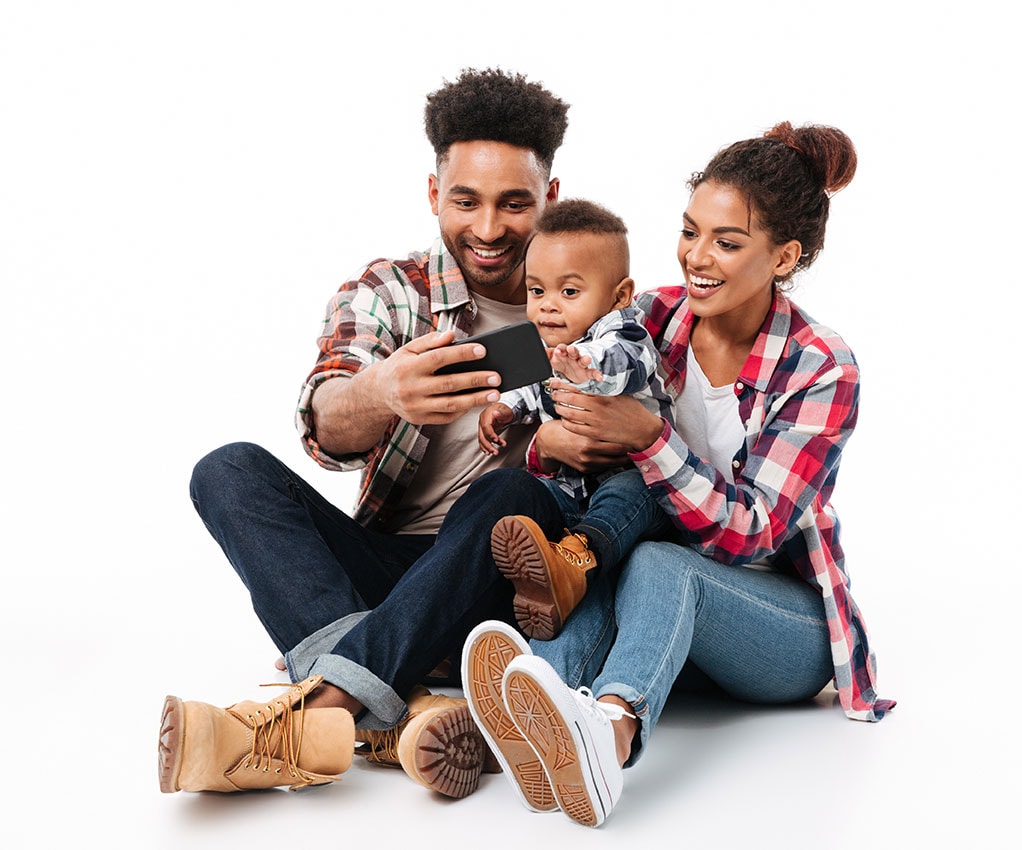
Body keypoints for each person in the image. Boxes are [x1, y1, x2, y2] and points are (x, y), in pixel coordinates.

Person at [462, 122, 896, 828]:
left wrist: (648, 436)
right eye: (690, 232)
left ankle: (610, 736)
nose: (697, 256)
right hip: (659, 619)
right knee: (593, 564)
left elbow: (750, 535)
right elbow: (529, 367)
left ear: (784, 256)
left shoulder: (821, 366)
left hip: (779, 629)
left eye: (727, 242)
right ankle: (523, 717)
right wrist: (537, 430)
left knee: (657, 560)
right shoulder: (650, 315)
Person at [158, 67, 570, 799]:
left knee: (512, 493)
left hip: (505, 586)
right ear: (434, 193)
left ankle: (314, 714)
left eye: (514, 203)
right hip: (388, 580)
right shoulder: (390, 290)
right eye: (466, 201)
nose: (487, 229)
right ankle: (400, 707)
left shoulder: (589, 298)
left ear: (551, 197)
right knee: (226, 470)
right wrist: (382, 392)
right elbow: (324, 423)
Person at [476, 198, 673, 641]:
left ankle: (577, 559)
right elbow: (533, 389)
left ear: (619, 296)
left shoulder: (624, 334)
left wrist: (586, 366)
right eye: (536, 291)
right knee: (522, 492)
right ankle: (530, 571)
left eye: (568, 292)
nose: (548, 307)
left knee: (632, 490)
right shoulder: (549, 345)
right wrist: (506, 409)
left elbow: (625, 363)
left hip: (637, 490)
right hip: (573, 492)